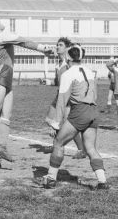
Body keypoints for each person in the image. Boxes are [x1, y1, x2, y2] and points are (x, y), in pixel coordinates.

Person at [0, 12, 53, 165]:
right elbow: (23, 42)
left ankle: (1, 146)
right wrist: (43, 48)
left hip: (3, 74)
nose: (0, 19)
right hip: (1, 73)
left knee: (6, 114)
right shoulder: (2, 36)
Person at [35, 44, 109, 190]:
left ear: (68, 57)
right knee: (90, 148)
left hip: (79, 111)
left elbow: (62, 101)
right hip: (94, 110)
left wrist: (55, 124)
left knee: (58, 142)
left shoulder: (67, 74)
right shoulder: (90, 72)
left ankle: (50, 178)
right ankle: (102, 182)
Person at [45, 37, 87, 160]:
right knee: (48, 119)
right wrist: (47, 82)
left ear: (67, 48)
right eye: (57, 45)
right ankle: (57, 144)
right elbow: (58, 82)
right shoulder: (58, 65)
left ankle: (81, 150)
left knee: (70, 125)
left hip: (67, 98)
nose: (57, 47)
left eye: (61, 45)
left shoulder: (69, 64)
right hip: (59, 95)